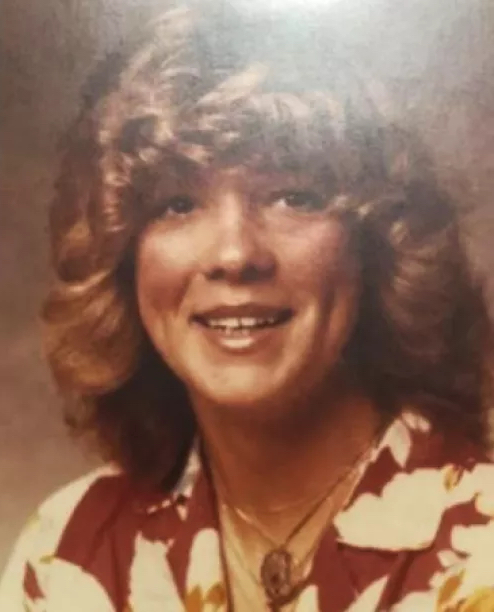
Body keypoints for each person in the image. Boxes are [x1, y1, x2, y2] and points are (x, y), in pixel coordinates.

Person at [1, 2, 494, 610]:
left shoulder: (481, 544)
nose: (235, 254)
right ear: (123, 258)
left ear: (374, 244)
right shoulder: (67, 557)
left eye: (293, 196)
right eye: (178, 204)